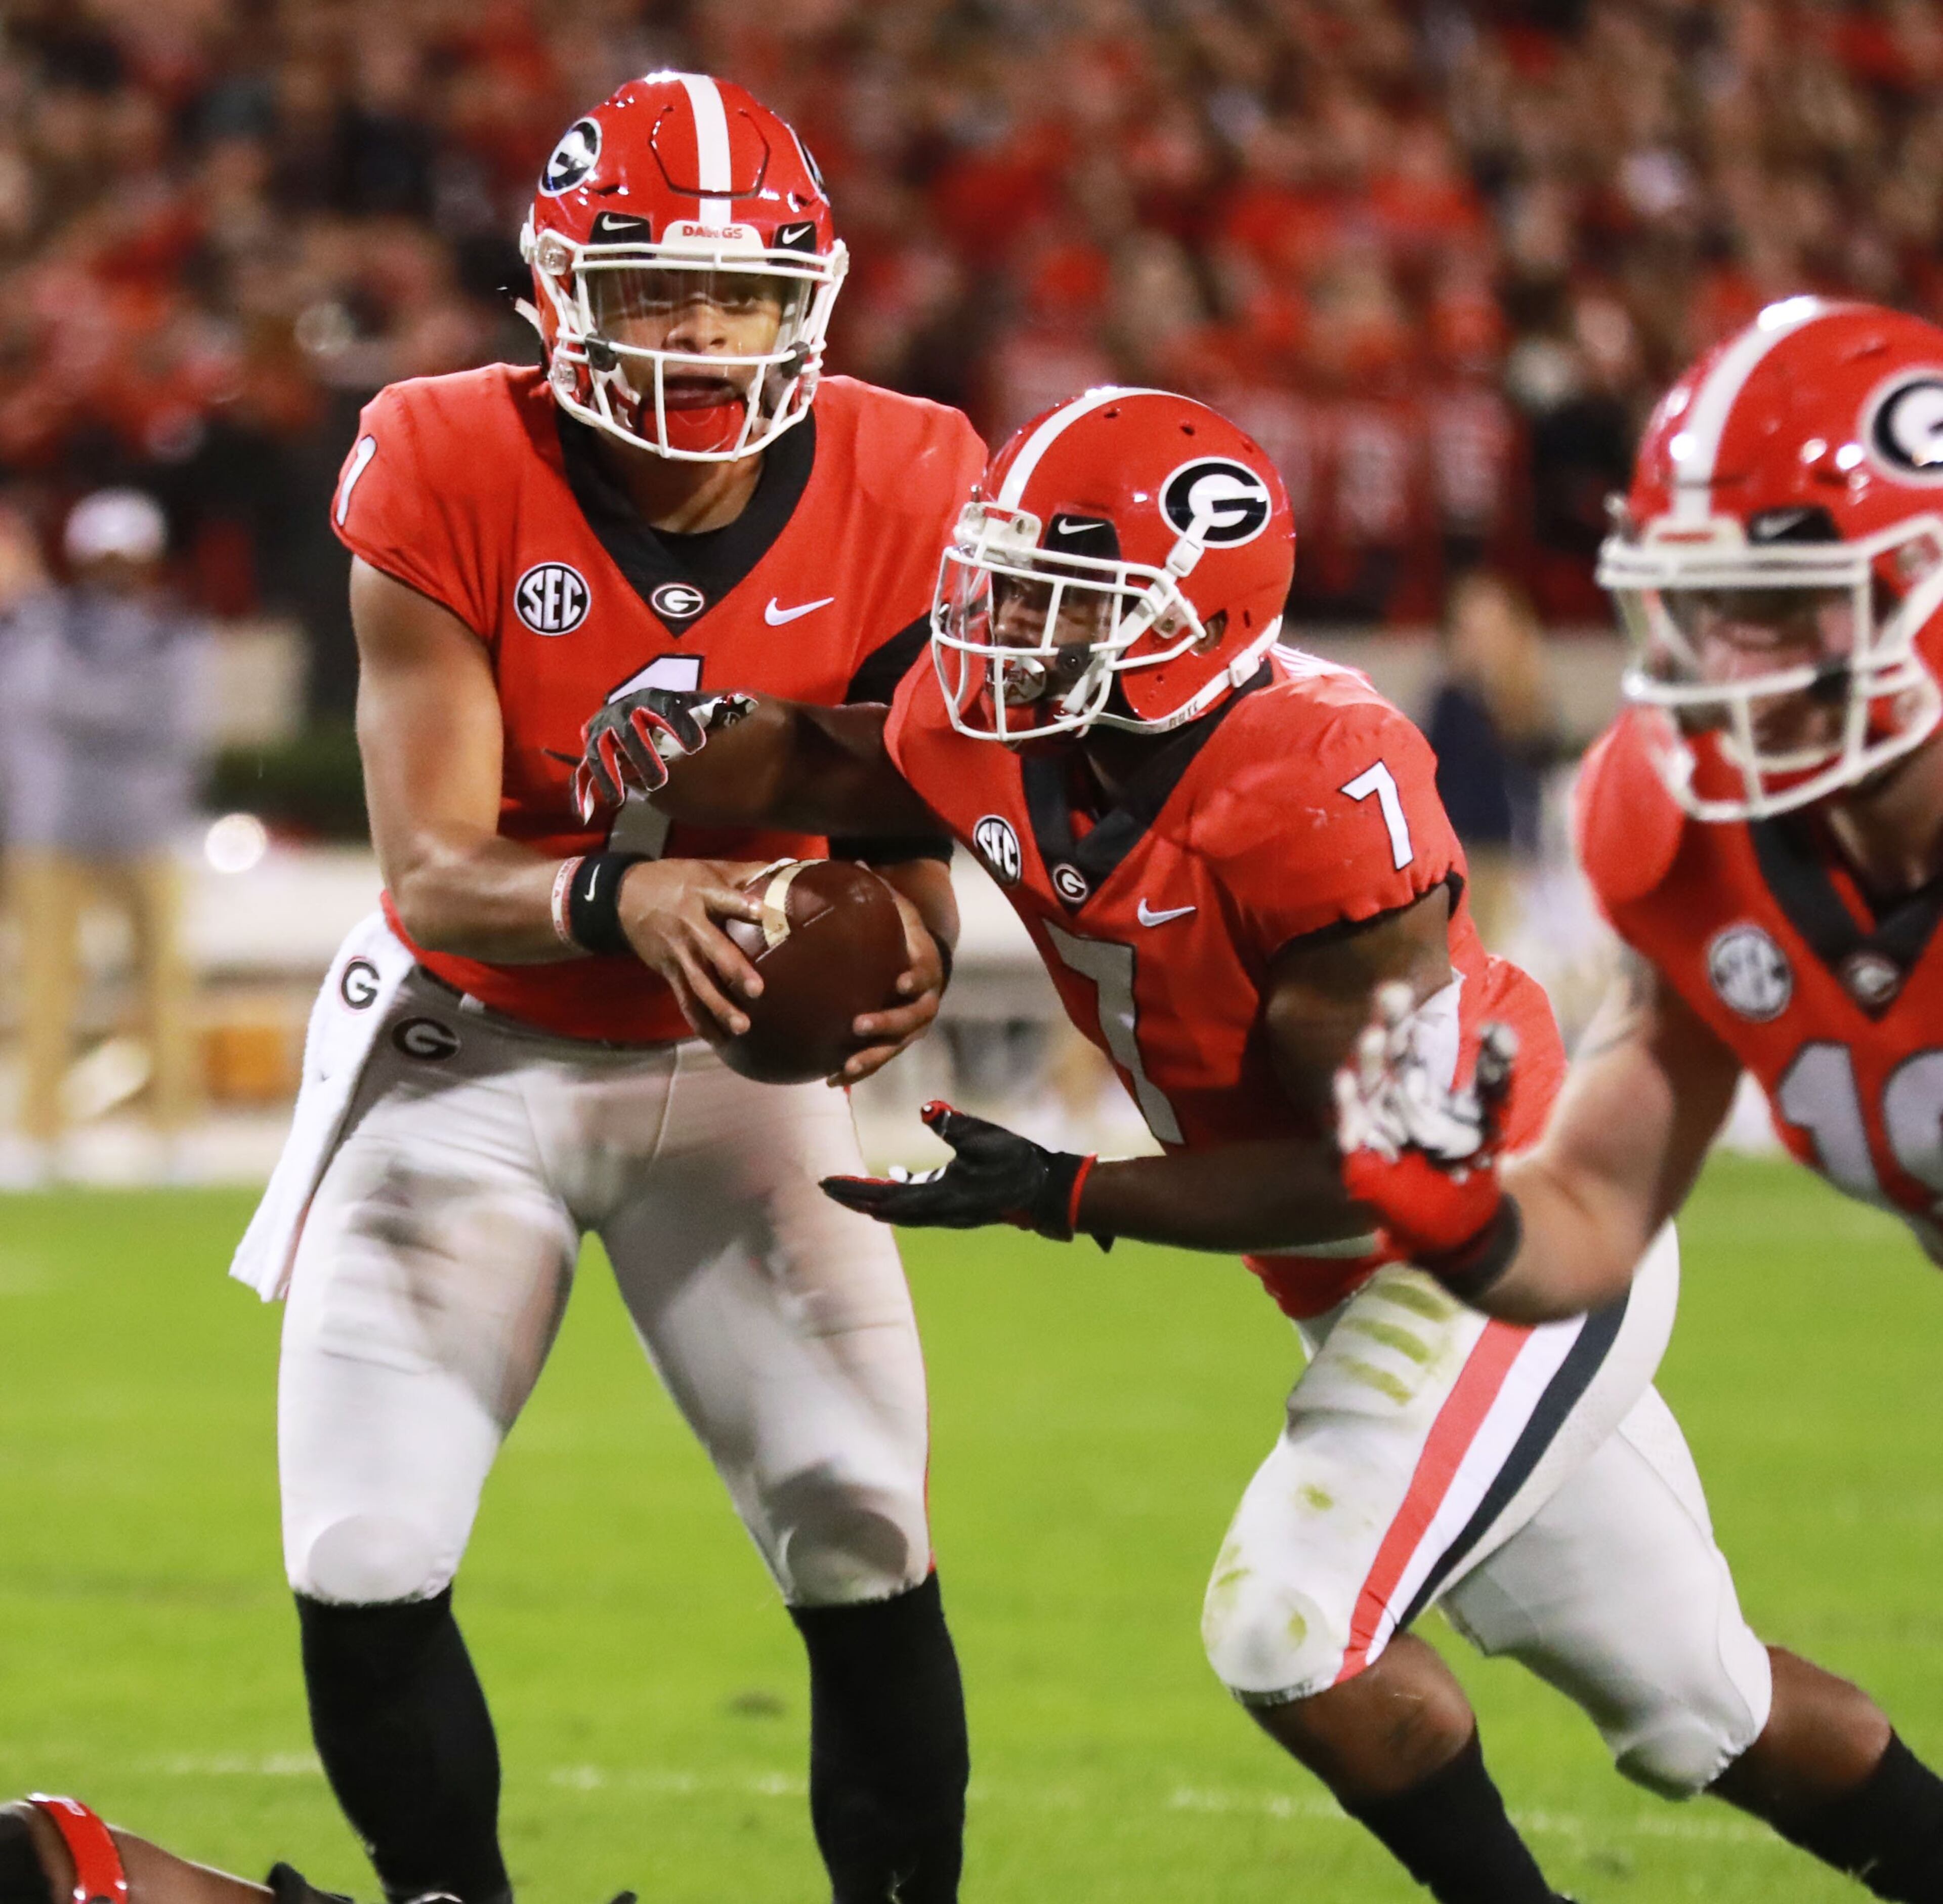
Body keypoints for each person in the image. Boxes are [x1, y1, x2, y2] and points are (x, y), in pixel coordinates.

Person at [604, 384, 1932, 1903]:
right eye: (1004, 579)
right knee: (1705, 1702)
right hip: (1369, 1278)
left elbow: (1366, 1161)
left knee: (1292, 1625)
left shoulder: (1312, 788)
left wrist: (1069, 1190)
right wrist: (661, 750)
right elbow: (823, 761)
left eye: (1058, 596)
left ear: (1186, 618)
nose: (1000, 627)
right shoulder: (1001, 732)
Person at [228, 74, 986, 1904]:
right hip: (464, 1051)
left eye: (738, 293)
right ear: (562, 296)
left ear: (808, 295)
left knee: (862, 1511)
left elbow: (917, 823)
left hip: (732, 1069)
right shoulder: (442, 453)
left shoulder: (914, 475)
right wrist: (619, 889)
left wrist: (910, 958)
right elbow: (430, 865)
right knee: (364, 1539)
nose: (702, 334)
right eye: (656, 294)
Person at [1338, 297, 1943, 1901]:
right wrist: (1469, 1215)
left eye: (1779, 609)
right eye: (1703, 610)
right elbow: (1604, 1198)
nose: (1722, 668)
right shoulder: (1692, 824)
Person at [0, 488, 209, 1179]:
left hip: (144, 830)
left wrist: (77, 705)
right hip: (55, 828)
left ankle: (175, 1130)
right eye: (105, 558)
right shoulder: (45, 627)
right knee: (45, 986)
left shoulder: (170, 633)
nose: (116, 572)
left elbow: (174, 725)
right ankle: (39, 1133)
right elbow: (26, 710)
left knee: (163, 986)